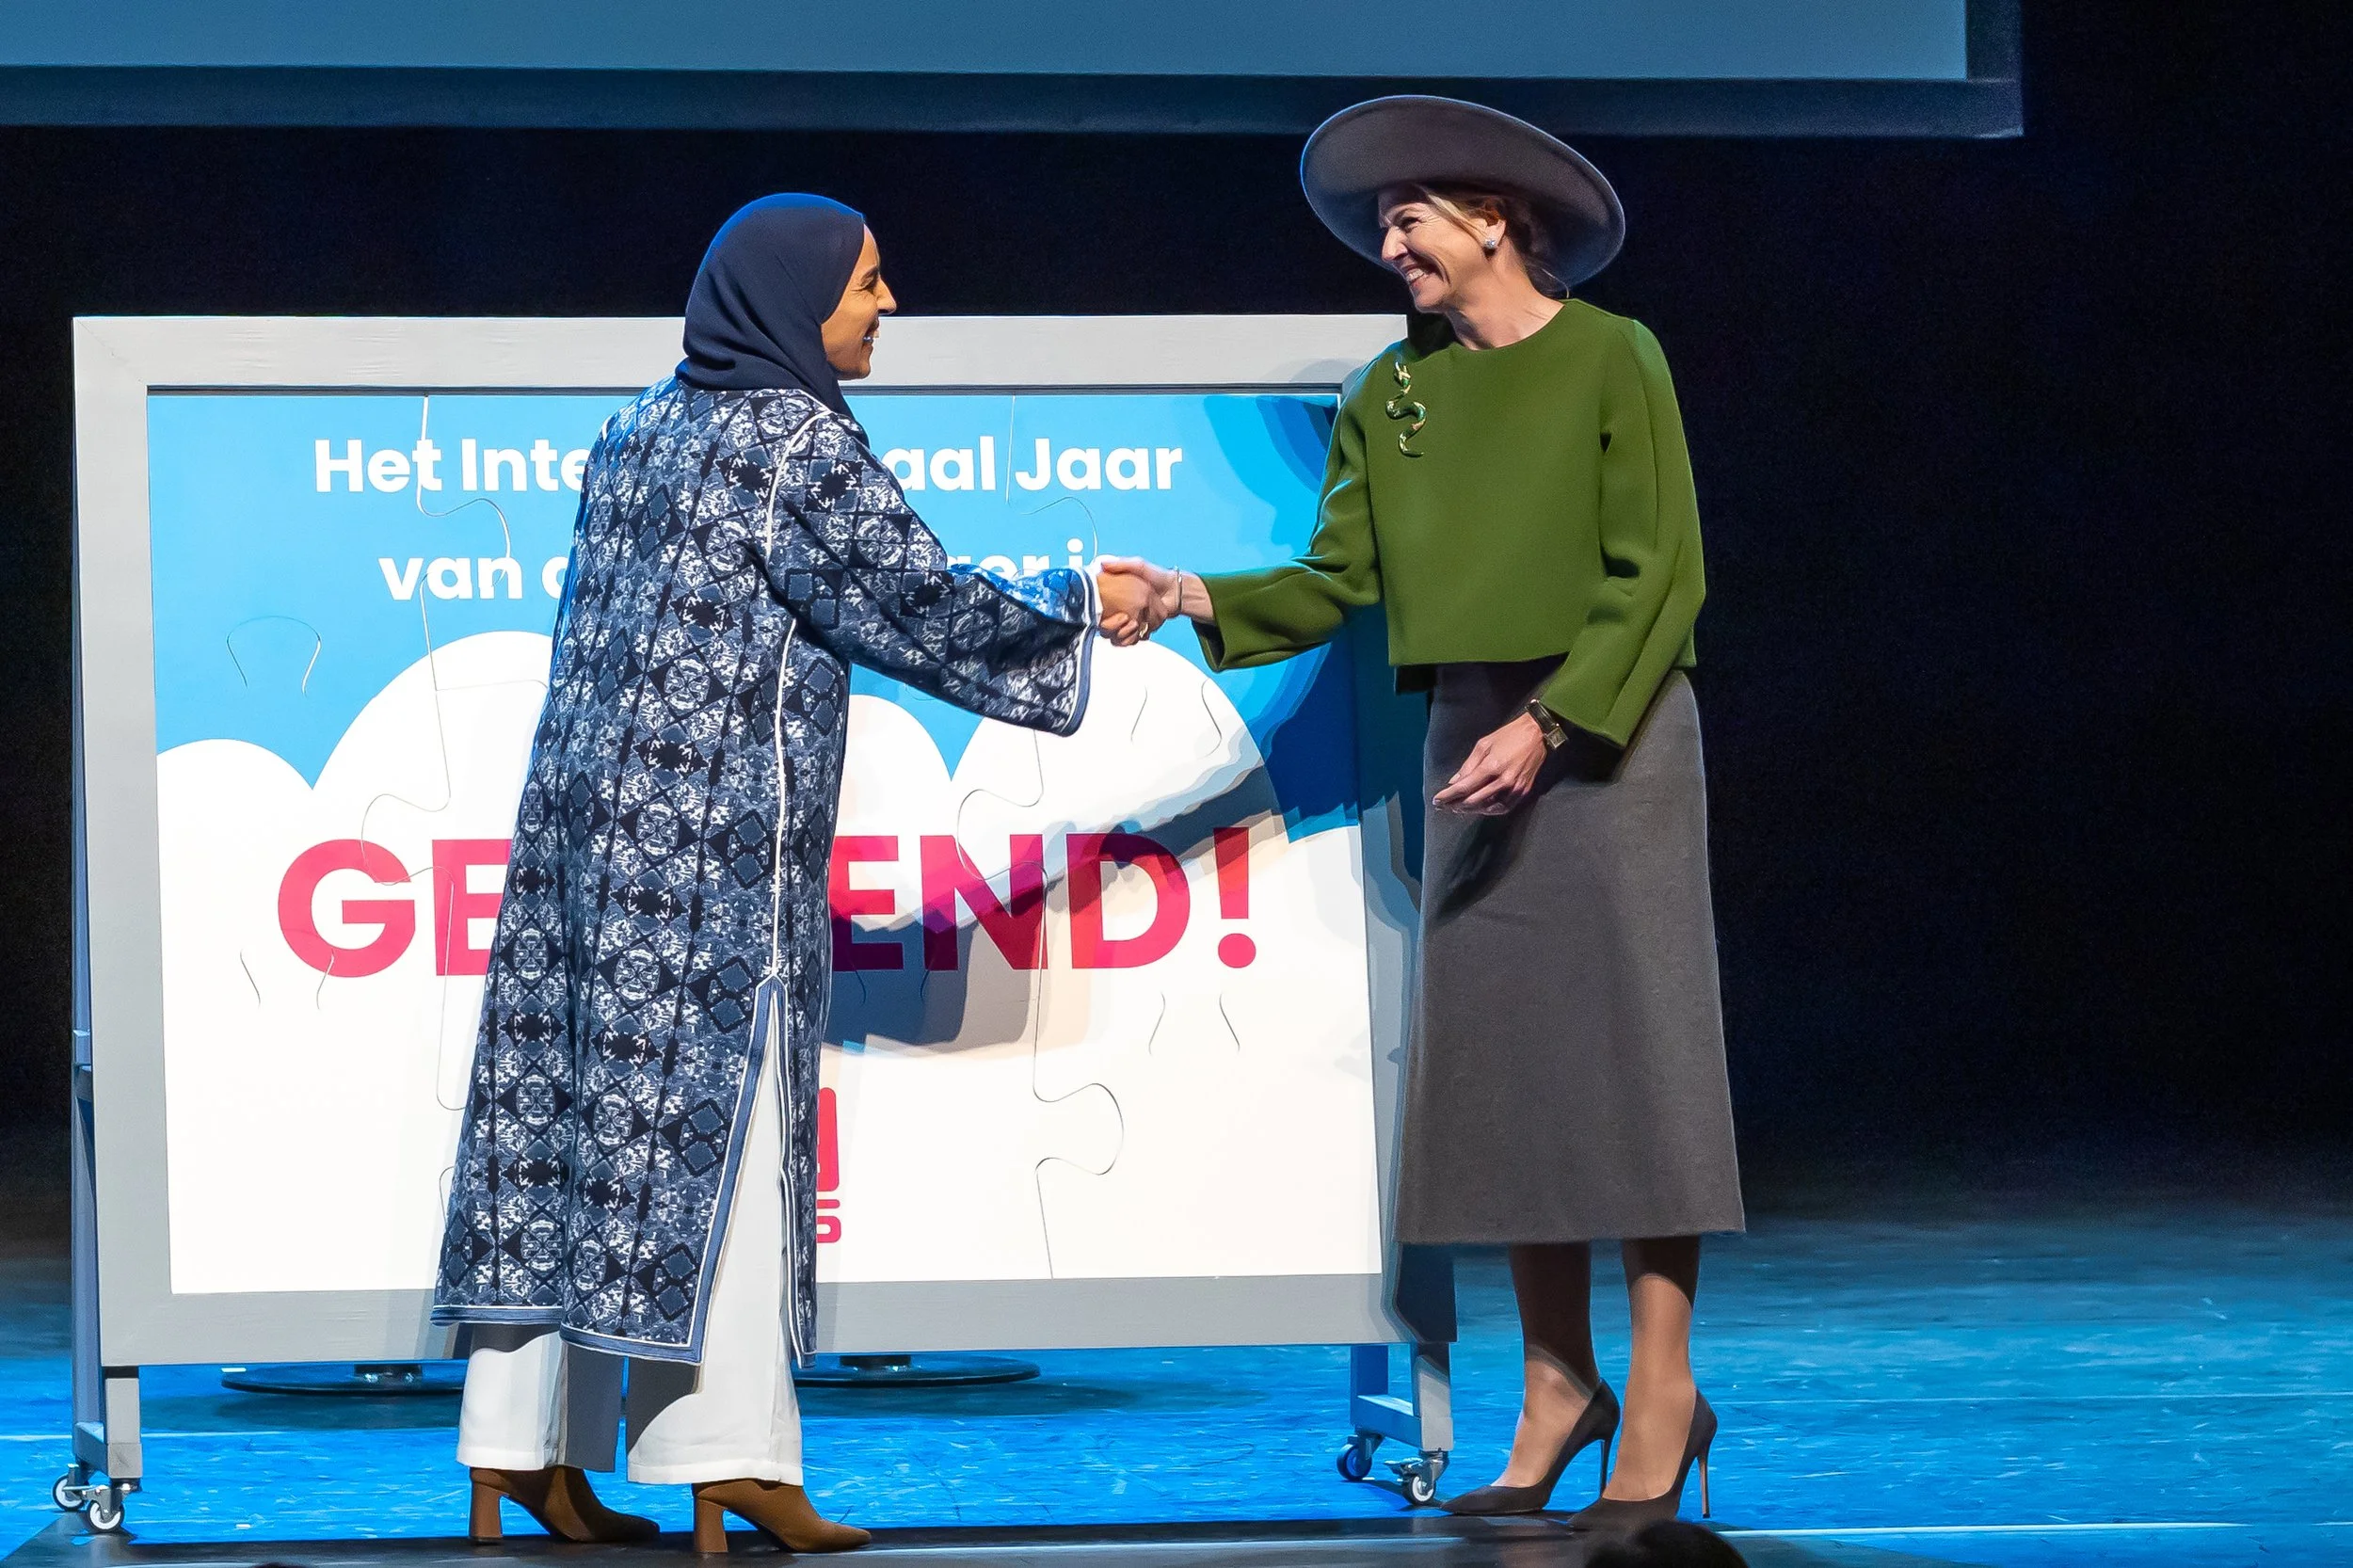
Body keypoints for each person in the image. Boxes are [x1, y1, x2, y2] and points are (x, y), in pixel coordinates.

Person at [1097, 96, 1742, 1531]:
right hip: (1471, 726)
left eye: (1412, 218)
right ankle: (1556, 1384)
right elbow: (1337, 578)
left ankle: (1663, 1385)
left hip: (1612, 725)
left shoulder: (1613, 357)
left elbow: (1664, 573)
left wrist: (1558, 719)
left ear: (1495, 220)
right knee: (1509, 1067)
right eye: (1385, 224)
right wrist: (1190, 597)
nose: (1390, 243)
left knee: (1641, 1055)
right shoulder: (1391, 393)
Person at [431, 194, 1096, 1553]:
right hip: (706, 871)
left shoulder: (635, 430)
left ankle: (519, 1455)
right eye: (865, 279)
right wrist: (1089, 611)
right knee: (719, 1152)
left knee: (556, 1141)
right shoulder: (794, 446)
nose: (887, 302)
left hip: (575, 855)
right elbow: (922, 602)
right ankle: (730, 1459)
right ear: (795, 299)